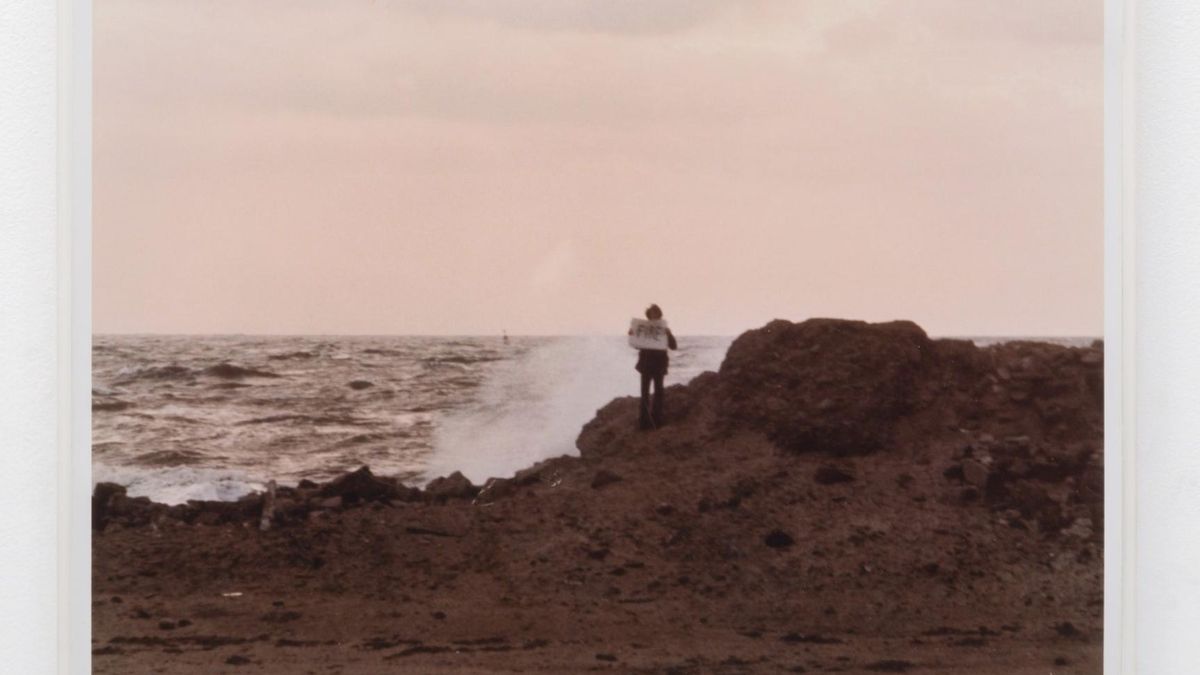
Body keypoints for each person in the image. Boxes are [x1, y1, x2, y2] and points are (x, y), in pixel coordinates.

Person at [632, 304, 677, 430]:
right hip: (646, 365)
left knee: (659, 393)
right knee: (645, 393)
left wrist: (669, 334)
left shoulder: (664, 330)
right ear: (648, 316)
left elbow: (673, 346)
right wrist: (633, 335)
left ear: (659, 315)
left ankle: (657, 420)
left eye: (656, 314)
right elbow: (636, 345)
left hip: (659, 366)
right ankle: (643, 422)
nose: (654, 317)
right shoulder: (643, 329)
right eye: (652, 315)